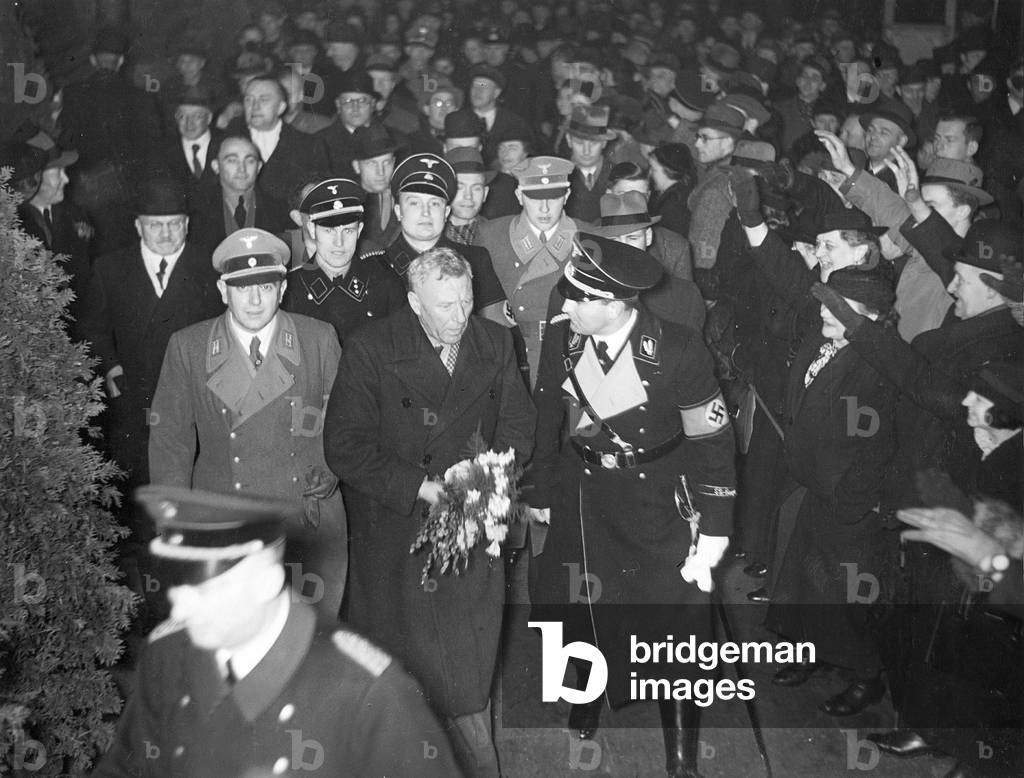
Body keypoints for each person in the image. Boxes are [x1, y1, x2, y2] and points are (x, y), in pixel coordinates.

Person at [527, 234, 735, 778]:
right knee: (582, 608)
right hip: (583, 495)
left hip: (658, 499)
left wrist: (714, 531)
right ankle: (588, 694)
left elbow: (714, 446)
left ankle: (682, 756)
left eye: (578, 298)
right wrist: (543, 491)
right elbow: (549, 409)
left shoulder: (679, 350)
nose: (564, 303)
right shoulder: (567, 331)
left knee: (675, 629)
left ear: (616, 306)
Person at [324, 247, 535, 777]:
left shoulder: (495, 340)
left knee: (466, 680)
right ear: (415, 304)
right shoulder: (371, 348)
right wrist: (420, 486)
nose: (461, 316)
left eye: (466, 300)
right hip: (398, 536)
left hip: (471, 529)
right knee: (408, 683)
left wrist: (484, 481)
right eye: (445, 306)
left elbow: (519, 426)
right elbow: (344, 447)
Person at [93, 485, 460, 778]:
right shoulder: (167, 657)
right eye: (178, 590)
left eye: (203, 592)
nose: (181, 610)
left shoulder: (368, 693)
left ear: (267, 583)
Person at [148, 228, 348, 619]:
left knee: (306, 647)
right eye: (242, 288)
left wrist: (331, 468)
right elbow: (170, 442)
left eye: (266, 286)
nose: (255, 300)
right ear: (223, 290)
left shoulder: (318, 339)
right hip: (224, 525)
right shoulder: (189, 347)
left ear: (282, 287)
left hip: (305, 523)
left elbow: (346, 424)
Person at [765, 267, 899, 717]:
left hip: (847, 501)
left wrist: (849, 502)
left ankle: (867, 677)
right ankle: (813, 653)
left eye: (837, 307)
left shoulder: (878, 366)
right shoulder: (823, 344)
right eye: (825, 302)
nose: (823, 311)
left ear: (872, 318)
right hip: (816, 487)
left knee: (845, 593)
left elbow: (878, 449)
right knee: (808, 579)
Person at [79, 178, 223, 504]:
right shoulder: (110, 268)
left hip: (194, 403)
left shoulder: (211, 269)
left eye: (174, 224)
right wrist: (110, 366)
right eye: (155, 225)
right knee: (138, 500)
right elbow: (92, 328)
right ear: (138, 226)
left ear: (187, 225)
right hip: (132, 403)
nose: (166, 233)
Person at [474, 155, 583, 386]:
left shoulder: (587, 238)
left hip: (571, 355)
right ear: (519, 196)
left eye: (553, 197)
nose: (544, 208)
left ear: (567, 196)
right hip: (513, 355)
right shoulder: (492, 236)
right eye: (535, 198)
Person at [381, 152, 515, 336]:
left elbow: (499, 334)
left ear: (446, 212)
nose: (425, 213)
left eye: (435, 204)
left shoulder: (475, 259)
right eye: (414, 203)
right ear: (398, 211)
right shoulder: (378, 268)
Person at [282, 177, 406, 343]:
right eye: (329, 231)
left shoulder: (383, 281)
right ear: (312, 229)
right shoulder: (291, 290)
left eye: (348, 231)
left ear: (360, 230)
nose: (339, 242)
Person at [231, 75, 329, 203]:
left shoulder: (309, 145)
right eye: (249, 100)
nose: (254, 106)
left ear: (281, 107)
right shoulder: (225, 141)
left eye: (264, 100)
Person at [187, 135, 293, 252]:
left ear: (258, 167)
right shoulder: (196, 214)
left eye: (250, 161)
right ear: (216, 166)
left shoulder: (280, 211)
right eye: (232, 160)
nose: (242, 168)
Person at [349, 124, 401, 245]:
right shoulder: (347, 202)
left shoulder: (404, 197)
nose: (381, 172)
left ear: (394, 162)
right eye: (372, 164)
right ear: (357, 166)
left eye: (386, 163)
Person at [564, 105, 617, 222]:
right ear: (569, 140)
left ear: (604, 142)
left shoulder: (617, 175)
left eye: (593, 143)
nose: (586, 151)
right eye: (579, 142)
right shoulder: (560, 175)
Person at [444, 146, 494, 246]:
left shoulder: (497, 236)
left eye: (476, 188)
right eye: (459, 187)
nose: (468, 196)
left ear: (485, 193)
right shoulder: (427, 235)